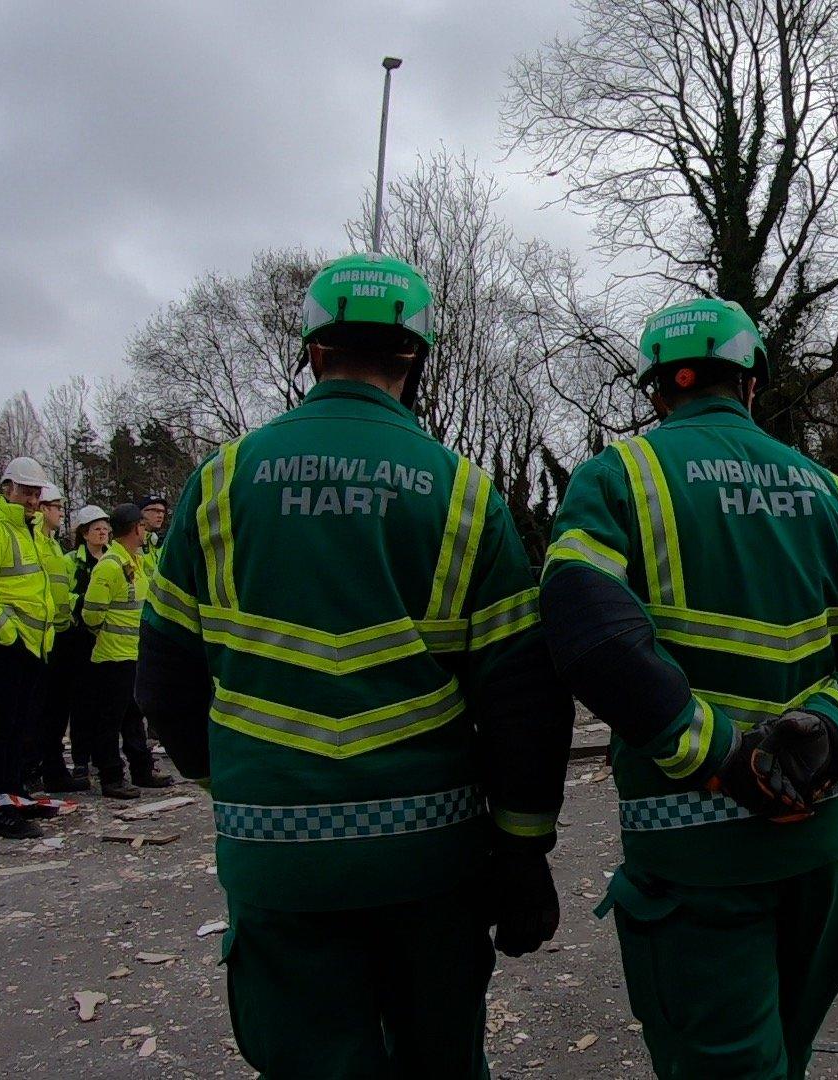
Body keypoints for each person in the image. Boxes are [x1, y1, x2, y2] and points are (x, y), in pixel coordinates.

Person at [134, 252, 572, 1079]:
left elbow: (162, 681)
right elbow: (523, 700)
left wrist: (239, 777)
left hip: (276, 850)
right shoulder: (463, 491)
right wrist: (522, 848)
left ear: (313, 351)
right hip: (431, 856)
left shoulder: (221, 483)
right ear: (417, 357)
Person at [541, 297, 838, 1080]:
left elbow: (589, 635)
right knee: (786, 1055)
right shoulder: (833, 493)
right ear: (753, 381)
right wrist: (825, 736)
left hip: (695, 858)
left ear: (658, 389)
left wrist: (723, 758)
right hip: (823, 850)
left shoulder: (621, 479)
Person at [0, 456, 62, 839]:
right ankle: (1, 811)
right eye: (25, 491)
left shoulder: (29, 529)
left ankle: (17, 795)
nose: (31, 499)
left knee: (22, 725)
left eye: (36, 493)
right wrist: (5, 633)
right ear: (7, 489)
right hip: (8, 643)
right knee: (3, 727)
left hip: (31, 643)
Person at [81, 504, 170, 798]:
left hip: (132, 655)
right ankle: (111, 777)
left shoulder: (133, 561)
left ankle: (141, 771)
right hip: (112, 657)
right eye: (143, 527)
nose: (146, 531)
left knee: (133, 718)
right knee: (110, 720)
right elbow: (91, 614)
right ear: (135, 529)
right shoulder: (110, 565)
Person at [31, 486, 90, 794]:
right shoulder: (36, 543)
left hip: (57, 634)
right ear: (42, 509)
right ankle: (34, 768)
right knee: (40, 708)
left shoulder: (52, 545)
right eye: (55, 507)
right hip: (38, 636)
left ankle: (52, 768)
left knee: (56, 709)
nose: (60, 513)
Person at [59, 505, 112, 780]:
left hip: (107, 637)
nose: (102, 534)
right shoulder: (70, 561)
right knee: (81, 700)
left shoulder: (114, 560)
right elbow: (59, 593)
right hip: (78, 636)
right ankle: (80, 758)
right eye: (96, 529)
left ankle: (104, 756)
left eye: (105, 529)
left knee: (106, 701)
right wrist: (80, 603)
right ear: (84, 533)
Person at [137, 492, 169, 574]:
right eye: (156, 511)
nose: (160, 515)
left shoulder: (160, 543)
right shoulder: (133, 542)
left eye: (163, 512)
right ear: (142, 512)